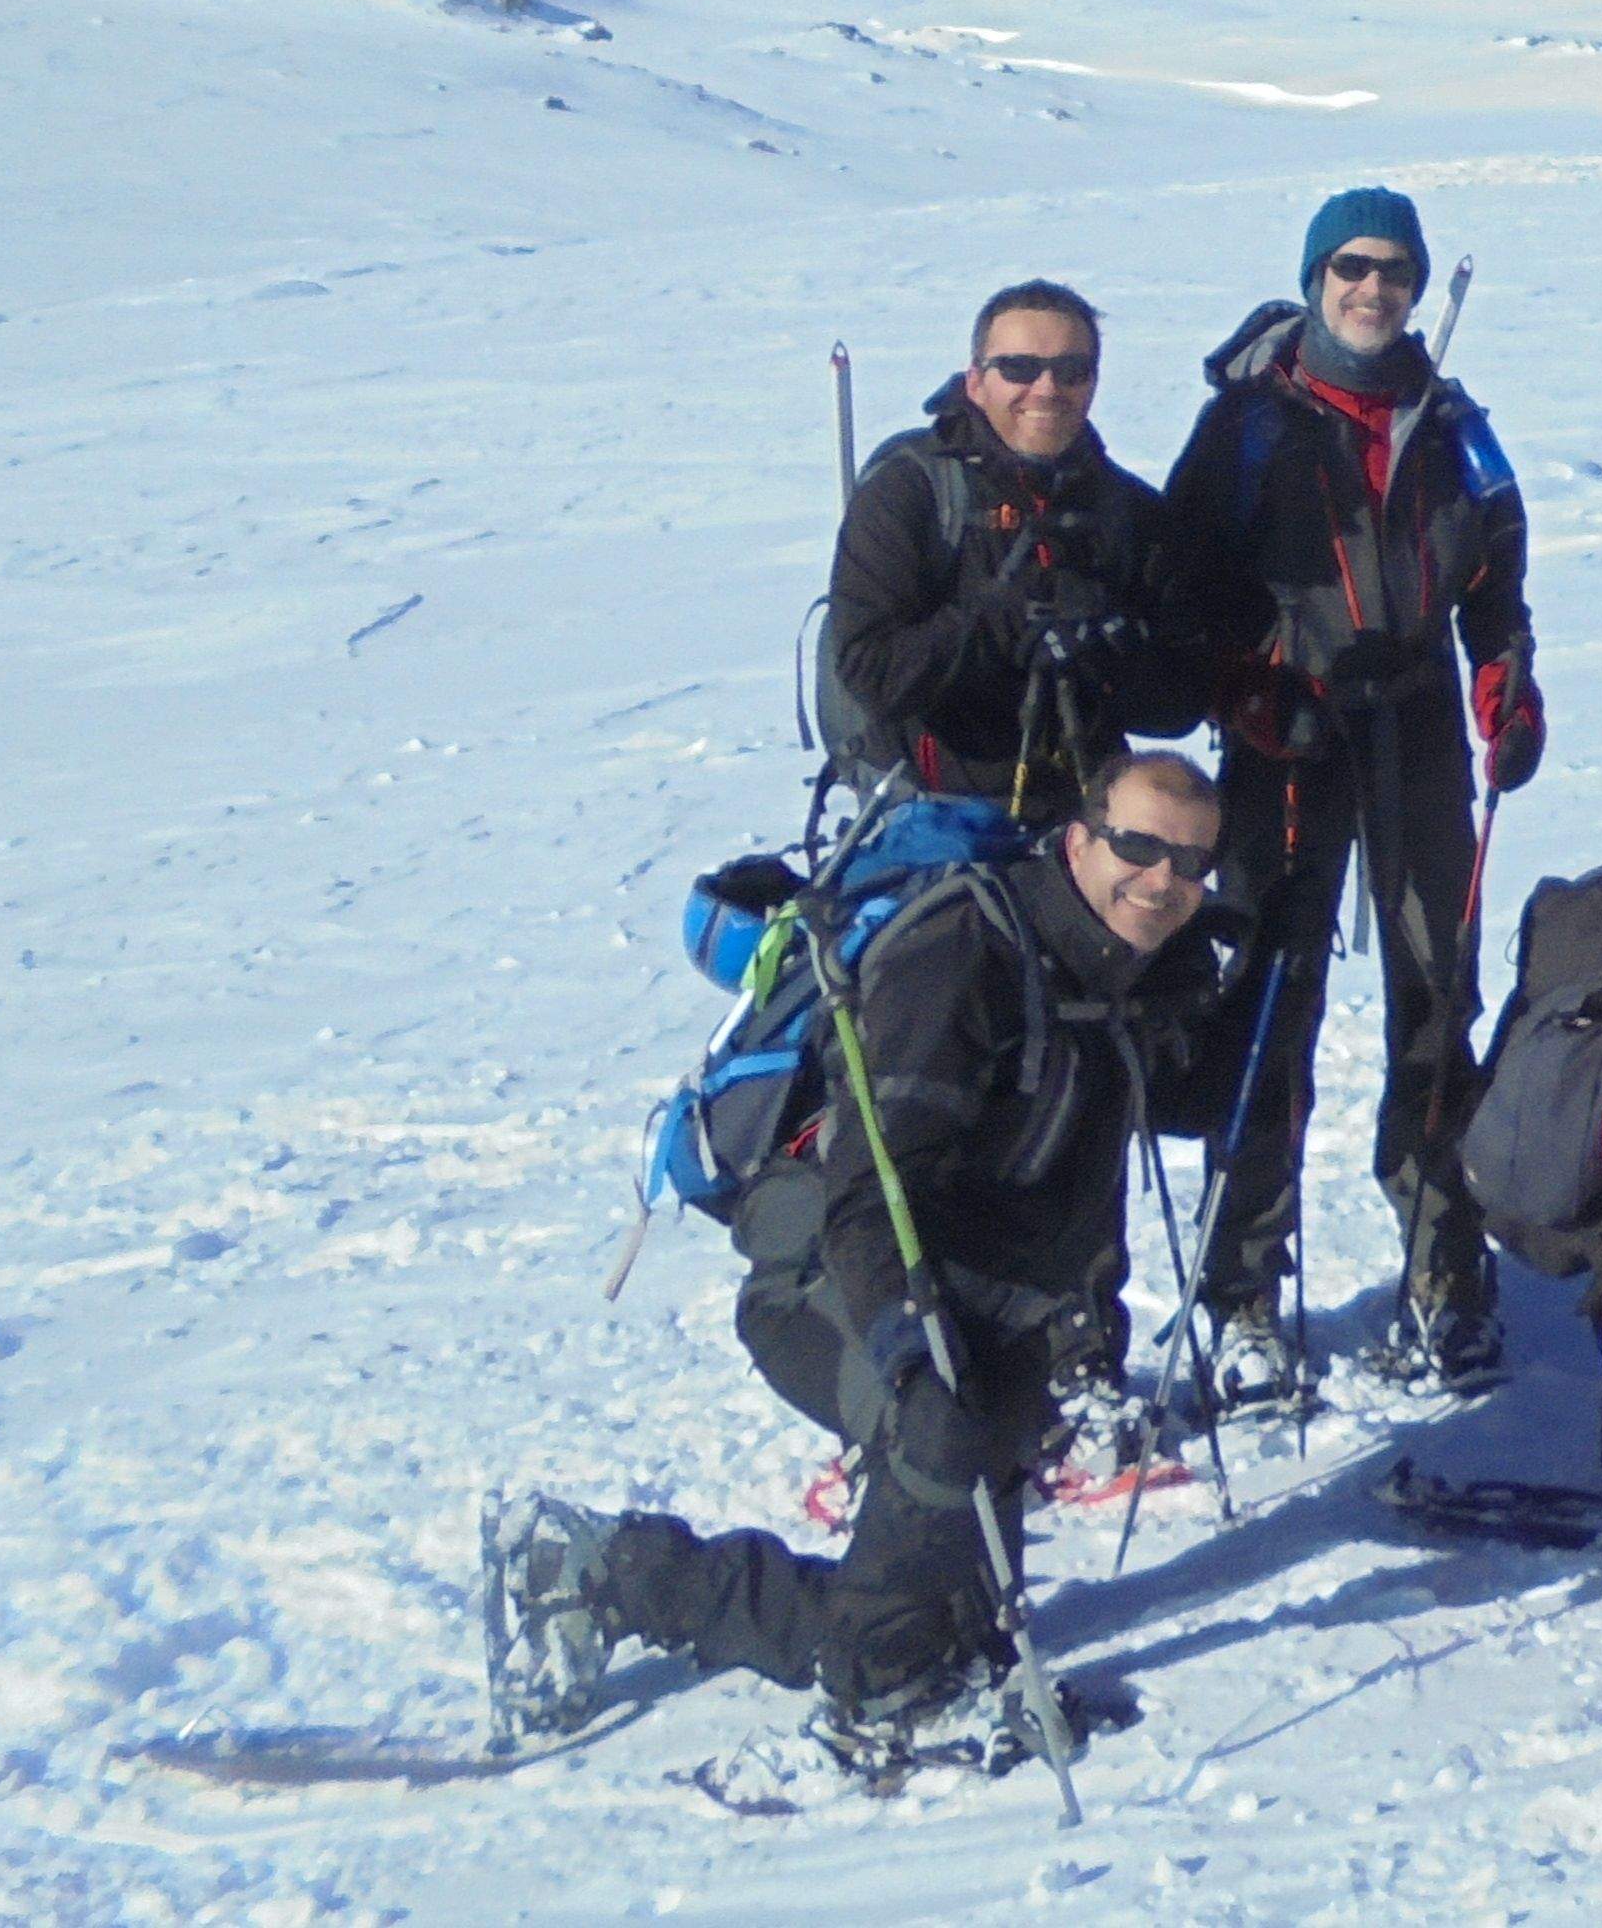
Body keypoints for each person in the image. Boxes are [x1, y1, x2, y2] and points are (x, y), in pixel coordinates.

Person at [482, 752, 1233, 1767]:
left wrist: (1261, 988)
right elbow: (873, 1185)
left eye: (1191, 864)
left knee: (951, 1621)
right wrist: (905, 1342)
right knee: (927, 1512)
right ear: (1080, 835)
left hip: (974, 1307)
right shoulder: (967, 951)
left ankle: (627, 1578)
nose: (1162, 882)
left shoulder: (1134, 970)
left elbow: (1188, 1103)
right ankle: (656, 1593)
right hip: (830, 1277)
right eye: (1138, 849)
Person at [1162, 186, 1537, 1405]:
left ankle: (1444, 1274)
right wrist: (1241, 687)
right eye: (1352, 269)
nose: (1374, 291)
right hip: (1291, 733)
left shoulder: (1452, 421)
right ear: (1317, 277)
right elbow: (1186, 578)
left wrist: (1505, 681)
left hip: (1416, 723)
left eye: (1395, 272)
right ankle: (1245, 1299)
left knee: (1437, 999)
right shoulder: (1250, 427)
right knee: (1269, 1000)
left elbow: (1497, 569)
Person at [821, 280, 1197, 821]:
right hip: (935, 820)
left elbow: (1177, 704)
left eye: (1072, 371)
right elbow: (872, 674)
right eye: (1019, 368)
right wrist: (1002, 617)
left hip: (1086, 822)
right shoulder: (912, 493)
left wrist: (1105, 641)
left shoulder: (1128, 510)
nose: (1046, 389)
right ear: (976, 381)